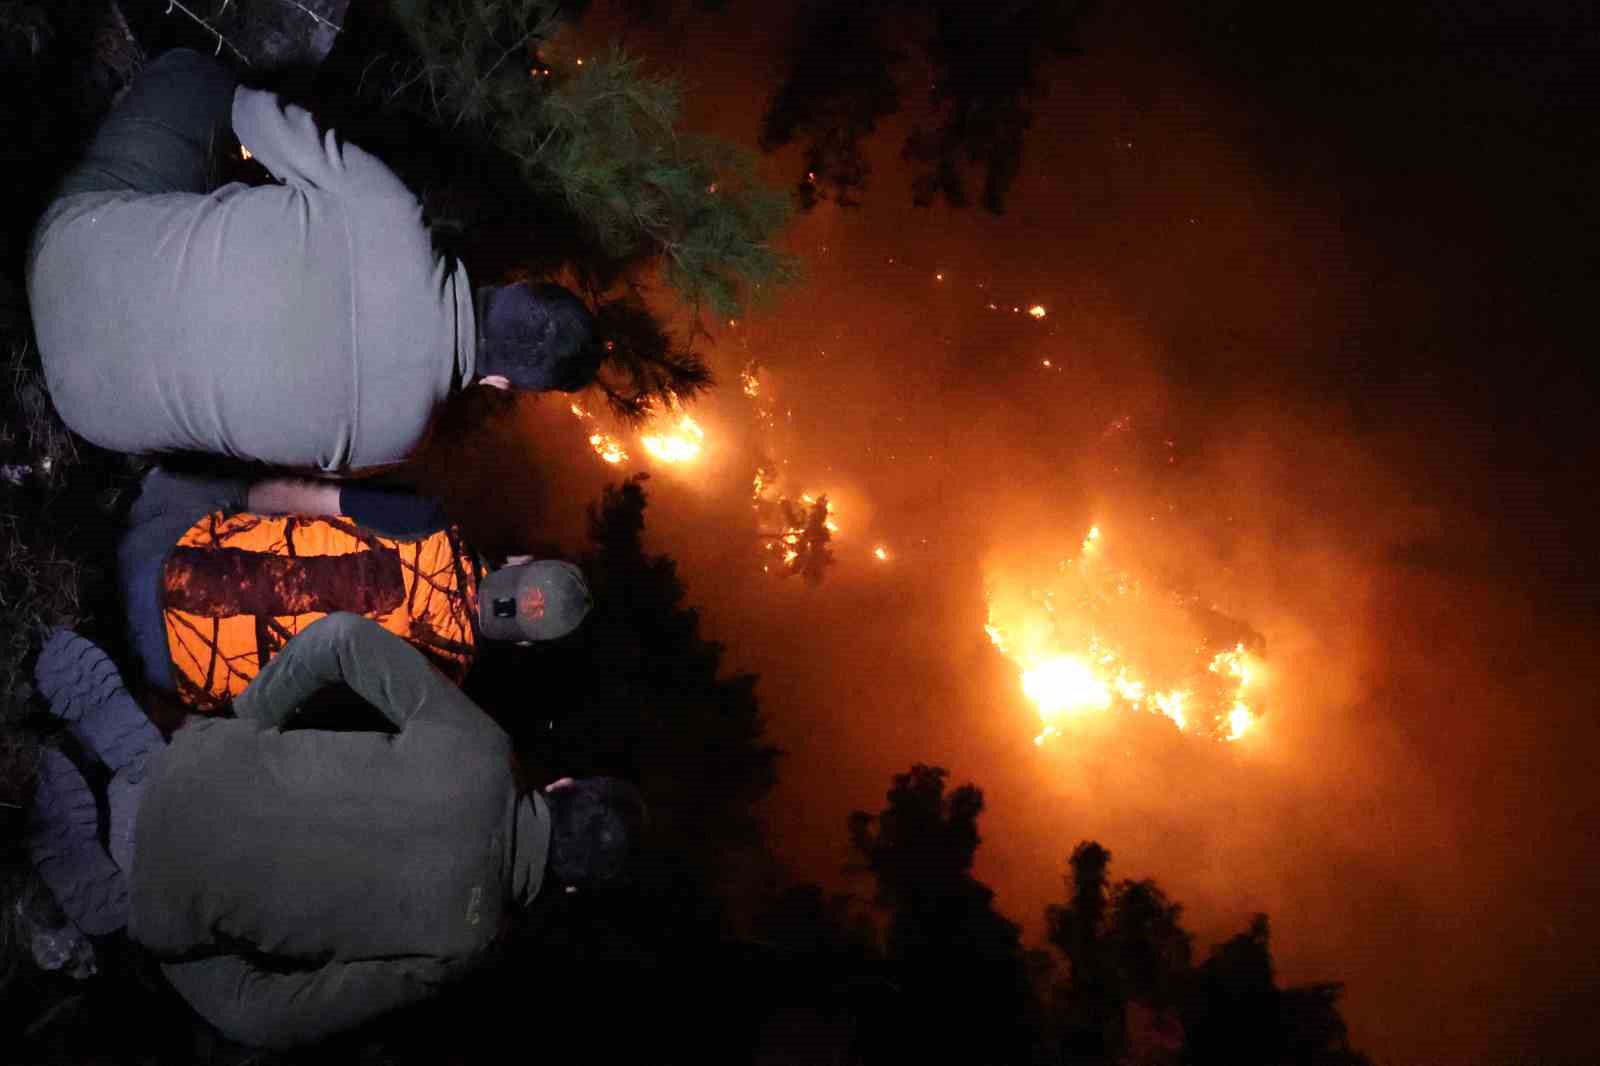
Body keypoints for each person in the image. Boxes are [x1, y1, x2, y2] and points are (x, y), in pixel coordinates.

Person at [27, 617, 645, 1049]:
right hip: (164, 905)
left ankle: (143, 765)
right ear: (567, 890)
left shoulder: (485, 752)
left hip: (193, 765)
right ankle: (128, 903)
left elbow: (343, 639)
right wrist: (179, 955)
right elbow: (270, 1019)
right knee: (211, 969)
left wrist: (242, 725)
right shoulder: (466, 948)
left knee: (180, 767)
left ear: (562, 786)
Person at [26, 47, 600, 474]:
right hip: (86, 404)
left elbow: (248, 112)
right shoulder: (393, 442)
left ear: (513, 284)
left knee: (197, 75)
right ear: (500, 382)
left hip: (72, 253)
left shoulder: (393, 214)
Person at [117, 466, 592, 714]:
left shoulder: (426, 522)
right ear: (524, 642)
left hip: (152, 561)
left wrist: (235, 499)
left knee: (235, 488)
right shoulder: (438, 689)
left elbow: (287, 497)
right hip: (172, 677)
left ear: (518, 562)